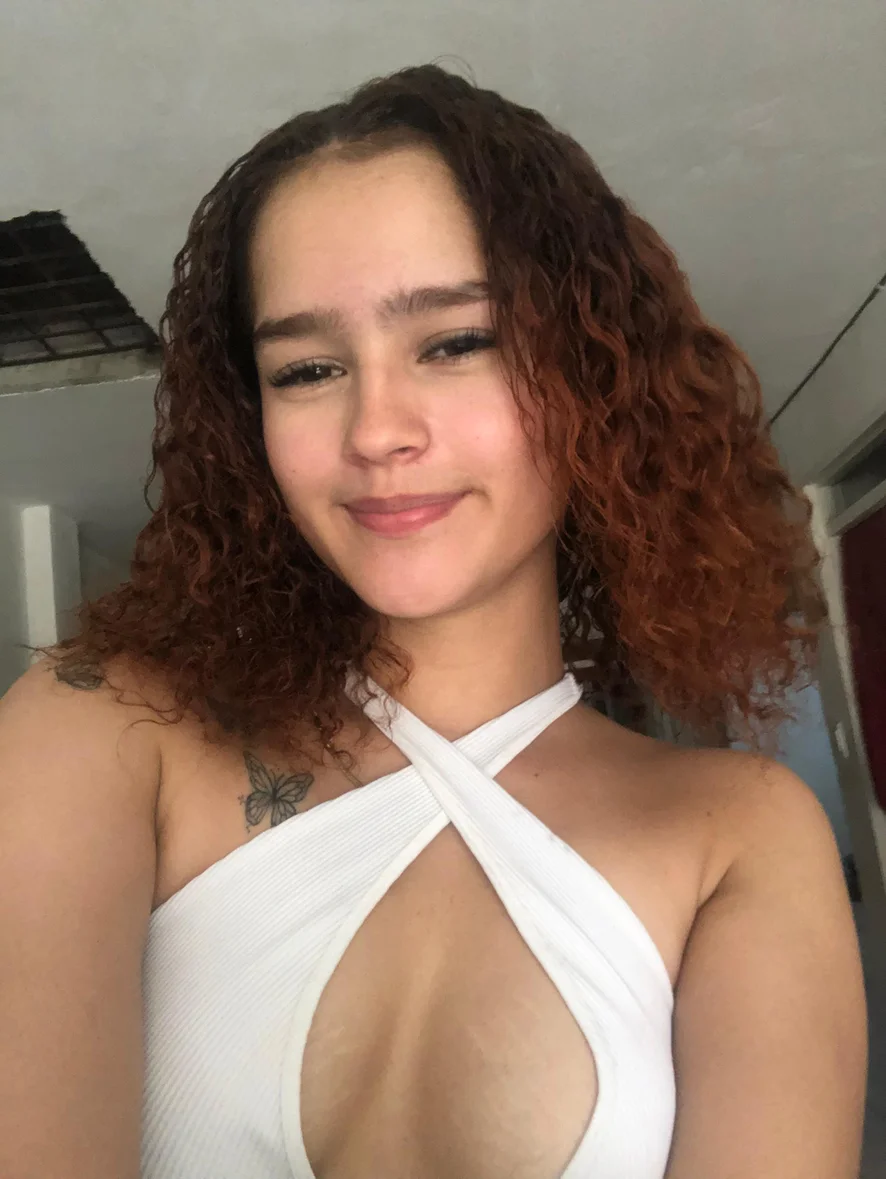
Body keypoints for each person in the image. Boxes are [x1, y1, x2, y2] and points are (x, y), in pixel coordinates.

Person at [0, 63, 867, 1179]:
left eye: (456, 342)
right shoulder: (97, 729)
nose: (376, 429)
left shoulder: (736, 833)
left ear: (592, 373)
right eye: (308, 368)